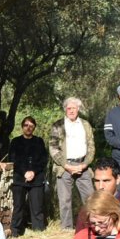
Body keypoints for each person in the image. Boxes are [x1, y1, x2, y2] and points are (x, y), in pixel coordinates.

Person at [50, 98, 95, 230]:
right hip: (64, 167)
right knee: (65, 200)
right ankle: (67, 228)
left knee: (90, 198)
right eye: (68, 108)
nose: (71, 111)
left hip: (83, 165)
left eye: (73, 108)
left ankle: (92, 226)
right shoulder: (58, 125)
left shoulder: (85, 124)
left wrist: (85, 164)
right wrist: (66, 165)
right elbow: (53, 148)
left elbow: (91, 146)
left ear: (78, 109)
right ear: (65, 109)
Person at [9, 115, 49, 234]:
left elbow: (43, 160)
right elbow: (13, 159)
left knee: (37, 208)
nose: (28, 128)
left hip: (36, 179)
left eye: (31, 126)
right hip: (19, 178)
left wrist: (33, 172)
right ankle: (16, 231)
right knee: (18, 207)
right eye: (26, 125)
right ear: (22, 127)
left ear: (34, 128)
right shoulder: (15, 142)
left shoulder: (39, 141)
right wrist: (24, 172)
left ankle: (38, 231)